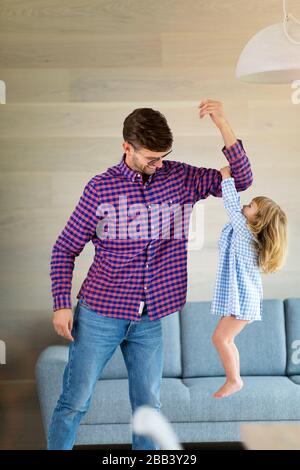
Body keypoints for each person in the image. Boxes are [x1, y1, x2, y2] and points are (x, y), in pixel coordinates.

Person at [48, 99, 253, 449]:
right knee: (74, 403)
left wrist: (224, 124)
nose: (158, 165)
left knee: (148, 409)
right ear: (127, 147)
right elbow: (64, 248)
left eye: (163, 156)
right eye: (150, 158)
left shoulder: (181, 177)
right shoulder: (100, 188)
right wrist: (61, 305)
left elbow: (243, 180)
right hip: (100, 313)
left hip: (150, 319)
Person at [210, 165, 288, 398]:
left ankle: (234, 380)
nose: (247, 204)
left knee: (221, 338)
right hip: (245, 300)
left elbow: (233, 207)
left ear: (258, 219)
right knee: (226, 338)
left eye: (252, 205)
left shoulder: (246, 232)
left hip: (244, 300)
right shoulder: (247, 234)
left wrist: (226, 178)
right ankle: (234, 379)